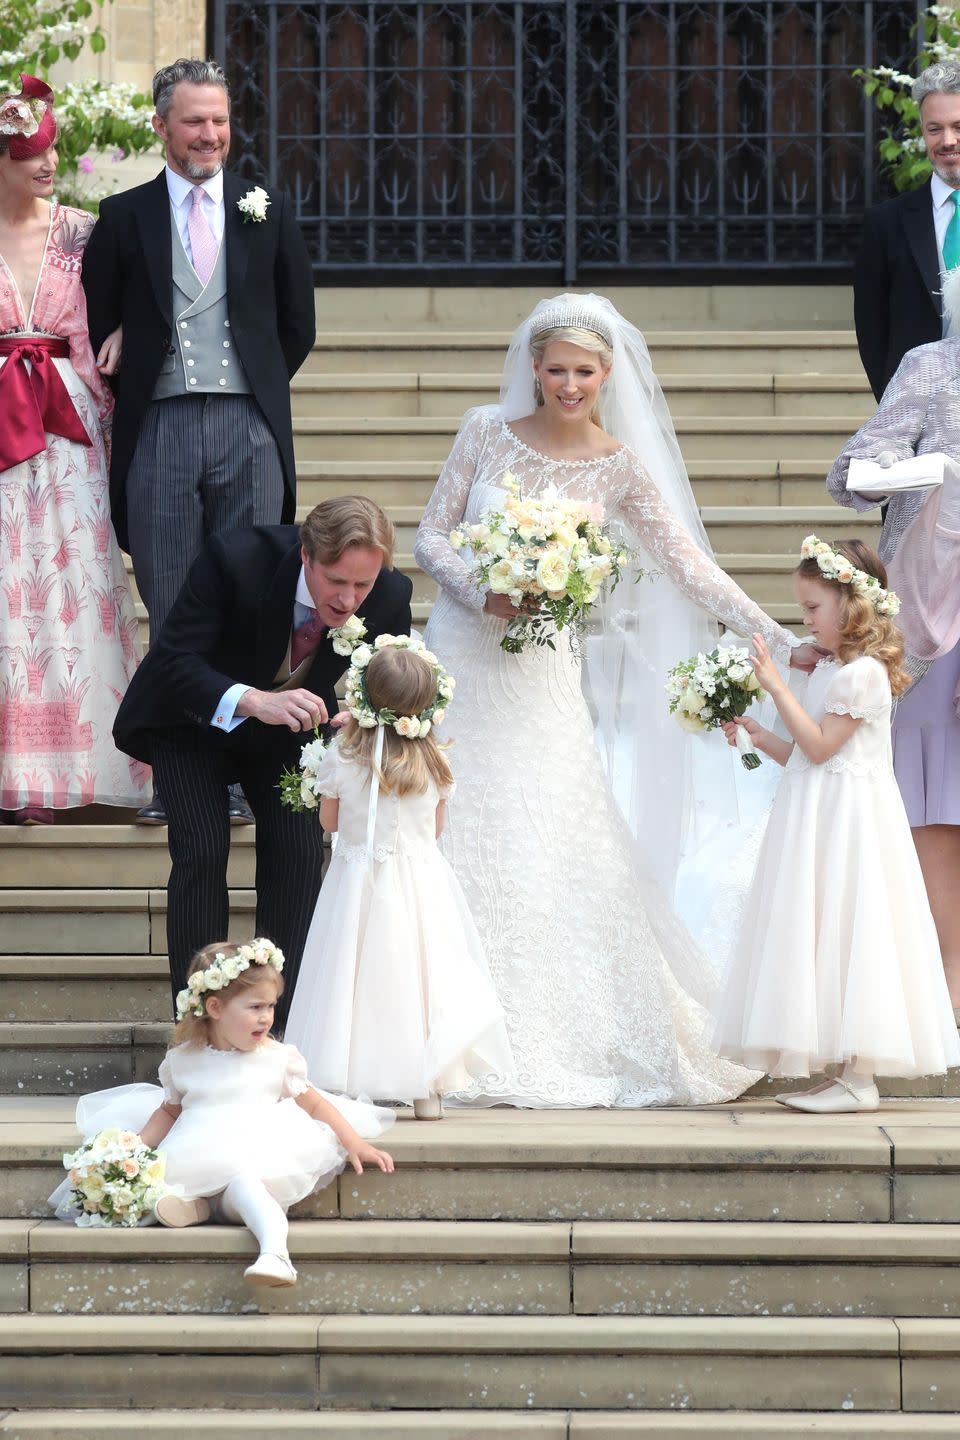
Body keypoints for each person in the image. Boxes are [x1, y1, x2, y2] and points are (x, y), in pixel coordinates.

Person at [413, 292, 822, 1109]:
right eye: (556, 369)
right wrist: (480, 586)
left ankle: (557, 1026)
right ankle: (434, 1025)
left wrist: (771, 635)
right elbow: (429, 535)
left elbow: (687, 565)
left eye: (585, 373)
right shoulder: (482, 432)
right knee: (449, 819)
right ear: (533, 366)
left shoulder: (617, 464)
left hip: (543, 677)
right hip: (465, 652)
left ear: (607, 375)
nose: (569, 385)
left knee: (551, 827)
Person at [81, 57, 316, 825]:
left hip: (248, 423)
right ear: (161, 127)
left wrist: (256, 383)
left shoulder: (266, 207)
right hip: (162, 424)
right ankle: (178, 776)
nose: (209, 134)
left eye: (218, 121)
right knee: (173, 597)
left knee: (250, 598)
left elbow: (295, 323)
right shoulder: (123, 216)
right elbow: (99, 316)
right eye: (193, 121)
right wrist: (125, 339)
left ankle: (247, 770)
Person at [112, 496, 413, 1031]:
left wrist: (362, 719)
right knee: (203, 852)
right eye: (335, 581)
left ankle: (278, 1028)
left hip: (289, 738)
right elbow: (174, 661)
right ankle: (199, 1028)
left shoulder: (391, 594)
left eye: (361, 586)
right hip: (193, 723)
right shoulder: (234, 558)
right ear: (306, 557)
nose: (348, 601)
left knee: (299, 855)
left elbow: (386, 684)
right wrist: (255, 700)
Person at [712, 538, 960, 1112]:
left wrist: (776, 685)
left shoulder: (865, 676)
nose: (806, 622)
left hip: (852, 826)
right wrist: (755, 732)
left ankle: (861, 1078)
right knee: (826, 929)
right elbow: (801, 752)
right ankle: (845, 1072)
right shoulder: (832, 670)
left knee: (856, 929)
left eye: (813, 610)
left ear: (851, 606)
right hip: (818, 819)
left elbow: (822, 746)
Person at [50, 939, 394, 1288]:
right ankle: (192, 1207)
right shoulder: (184, 1060)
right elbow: (168, 1113)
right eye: (255, 1006)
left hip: (254, 1156)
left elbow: (316, 1104)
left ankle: (275, 1254)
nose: (267, 1017)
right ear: (215, 1007)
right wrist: (135, 1151)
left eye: (271, 1006)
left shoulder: (277, 1059)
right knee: (163, 1186)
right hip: (194, 1153)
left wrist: (353, 1141)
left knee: (247, 1188)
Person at [0, 74, 149, 824]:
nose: (47, 163)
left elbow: (106, 317)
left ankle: (80, 767)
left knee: (73, 584)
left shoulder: (83, 231)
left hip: (69, 426)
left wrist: (119, 347)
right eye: (29, 154)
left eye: (51, 149)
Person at [284, 638, 513, 1120]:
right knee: (423, 975)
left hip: (356, 882)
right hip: (421, 884)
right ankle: (428, 1090)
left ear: (362, 697)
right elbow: (434, 829)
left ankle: (347, 1074)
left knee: (356, 973)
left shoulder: (343, 758)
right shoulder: (437, 762)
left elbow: (328, 823)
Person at [826, 298, 960, 1013]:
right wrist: (898, 469)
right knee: (934, 800)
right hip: (933, 607)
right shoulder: (932, 365)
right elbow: (854, 466)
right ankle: (943, 985)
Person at [854, 60, 960, 401]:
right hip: (917, 420)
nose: (948, 141)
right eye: (935, 129)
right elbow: (873, 333)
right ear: (921, 130)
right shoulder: (885, 224)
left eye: (959, 127)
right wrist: (898, 410)